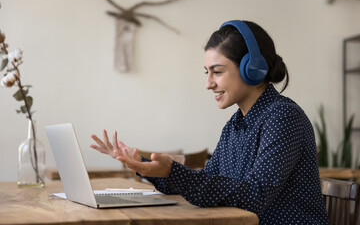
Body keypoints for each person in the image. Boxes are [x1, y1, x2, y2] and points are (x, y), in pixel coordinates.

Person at [90, 20, 329, 224]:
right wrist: (144, 165)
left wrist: (173, 172)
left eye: (217, 71)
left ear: (252, 69)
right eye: (207, 72)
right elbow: (209, 182)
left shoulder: (283, 117)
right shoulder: (235, 125)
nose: (208, 83)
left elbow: (255, 196)